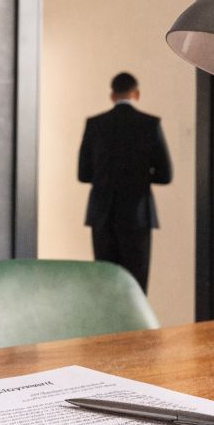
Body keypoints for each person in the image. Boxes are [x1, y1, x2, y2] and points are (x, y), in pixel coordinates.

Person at [77, 72, 173, 291]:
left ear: (112, 95)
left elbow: (83, 174)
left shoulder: (95, 125)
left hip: (103, 214)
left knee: (105, 284)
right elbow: (165, 175)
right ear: (136, 94)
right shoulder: (150, 125)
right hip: (137, 215)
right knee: (136, 286)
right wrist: (139, 177)